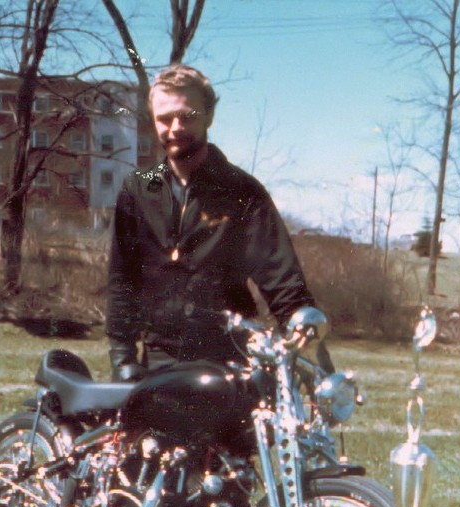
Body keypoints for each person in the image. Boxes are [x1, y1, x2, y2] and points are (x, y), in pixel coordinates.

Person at [106, 64, 318, 381]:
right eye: (164, 119)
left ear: (209, 116)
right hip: (160, 358)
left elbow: (281, 276)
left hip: (230, 359)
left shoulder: (242, 190)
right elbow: (123, 279)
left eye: (187, 116)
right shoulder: (139, 188)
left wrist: (303, 320)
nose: (174, 128)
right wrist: (122, 358)